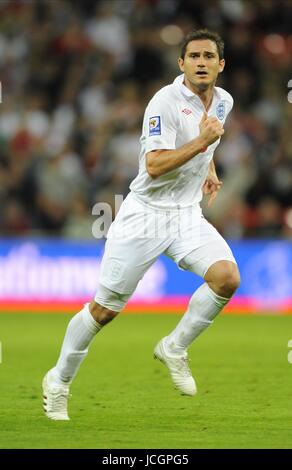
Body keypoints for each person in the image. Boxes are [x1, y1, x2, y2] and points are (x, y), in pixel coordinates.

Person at [42, 29, 240, 420]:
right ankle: (59, 381)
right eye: (193, 56)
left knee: (226, 278)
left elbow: (207, 143)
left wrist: (209, 167)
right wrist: (201, 145)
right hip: (145, 214)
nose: (201, 62)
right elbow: (154, 165)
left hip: (186, 214)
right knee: (104, 310)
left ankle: (174, 347)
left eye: (208, 56)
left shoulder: (224, 101)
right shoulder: (163, 103)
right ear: (180, 64)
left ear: (221, 64)